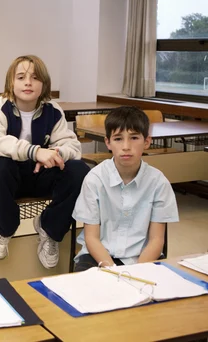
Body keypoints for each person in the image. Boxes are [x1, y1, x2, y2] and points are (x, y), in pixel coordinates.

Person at [0, 55, 89, 268]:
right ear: (11, 83)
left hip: (38, 175)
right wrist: (34, 152)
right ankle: (5, 229)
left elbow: (73, 147)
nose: (28, 82)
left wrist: (54, 154)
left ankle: (50, 229)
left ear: (43, 84)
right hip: (7, 178)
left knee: (79, 170)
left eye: (35, 77)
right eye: (21, 77)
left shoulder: (53, 110)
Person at [73, 106, 179, 271]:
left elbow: (156, 240)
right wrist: (115, 271)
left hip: (143, 257)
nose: (126, 146)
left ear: (147, 142)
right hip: (99, 256)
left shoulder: (158, 182)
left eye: (134, 138)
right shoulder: (94, 180)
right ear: (108, 142)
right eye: (118, 139)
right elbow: (91, 238)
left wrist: (135, 272)